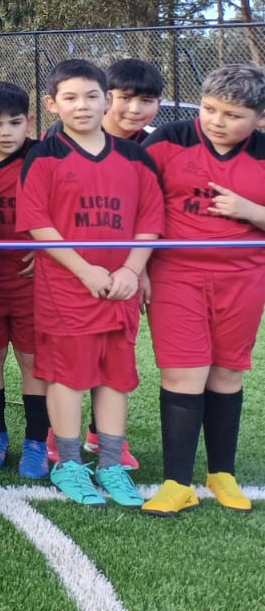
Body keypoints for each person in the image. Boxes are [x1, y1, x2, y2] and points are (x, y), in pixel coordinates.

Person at [17, 59, 162, 509]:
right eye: (71, 97)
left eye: (92, 96)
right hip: (67, 290)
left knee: (115, 378)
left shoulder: (136, 158)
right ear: (52, 104)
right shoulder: (43, 156)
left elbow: (150, 222)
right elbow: (38, 225)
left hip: (118, 289)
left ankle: (112, 465)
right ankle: (69, 464)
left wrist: (130, 271)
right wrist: (85, 270)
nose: (83, 106)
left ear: (107, 101)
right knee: (68, 377)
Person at [142, 65, 265, 517]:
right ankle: (177, 481)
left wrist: (254, 211)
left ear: (259, 117)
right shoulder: (169, 140)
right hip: (177, 274)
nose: (216, 121)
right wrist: (138, 268)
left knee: (228, 373)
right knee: (183, 374)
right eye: (210, 109)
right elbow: (139, 206)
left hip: (245, 277)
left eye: (233, 114)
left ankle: (221, 473)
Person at [0, 81, 48, 479]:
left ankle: (37, 441)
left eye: (14, 123)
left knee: (33, 361)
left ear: (29, 122)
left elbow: (65, 203)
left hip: (31, 280)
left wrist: (50, 245)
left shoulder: (42, 155)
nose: (5, 132)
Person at [104, 58, 164, 141]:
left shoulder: (154, 148)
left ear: (158, 105)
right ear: (106, 99)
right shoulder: (81, 140)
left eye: (145, 100)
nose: (135, 109)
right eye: (125, 98)